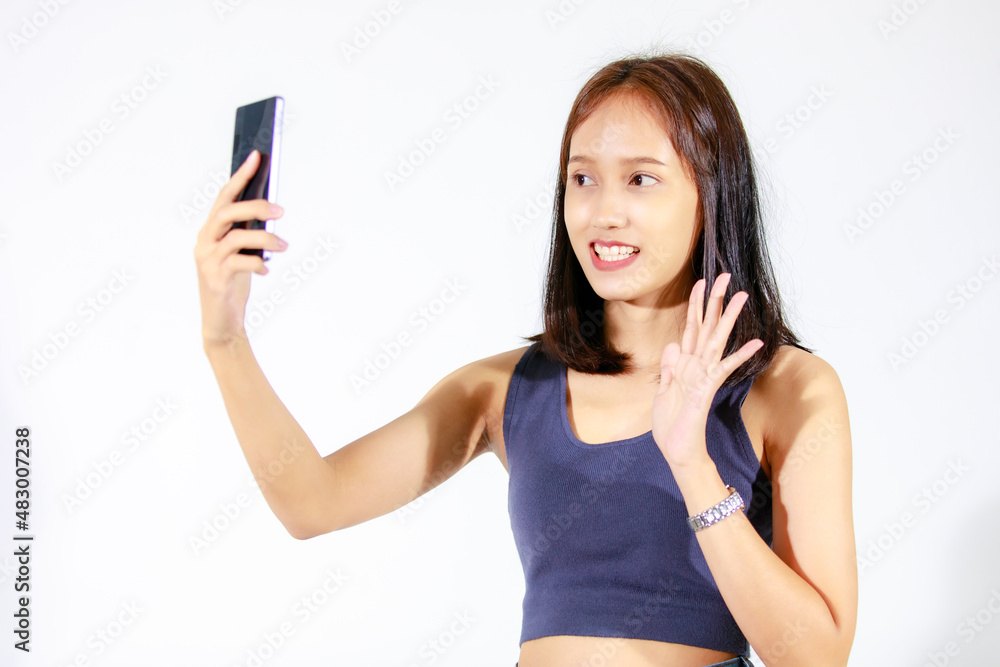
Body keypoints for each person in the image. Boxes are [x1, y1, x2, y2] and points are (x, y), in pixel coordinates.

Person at [194, 51, 857, 667]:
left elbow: (817, 656)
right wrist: (225, 339)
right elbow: (313, 501)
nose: (604, 212)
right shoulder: (504, 388)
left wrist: (693, 465)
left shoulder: (788, 389)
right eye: (583, 178)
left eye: (641, 179)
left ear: (712, 195)